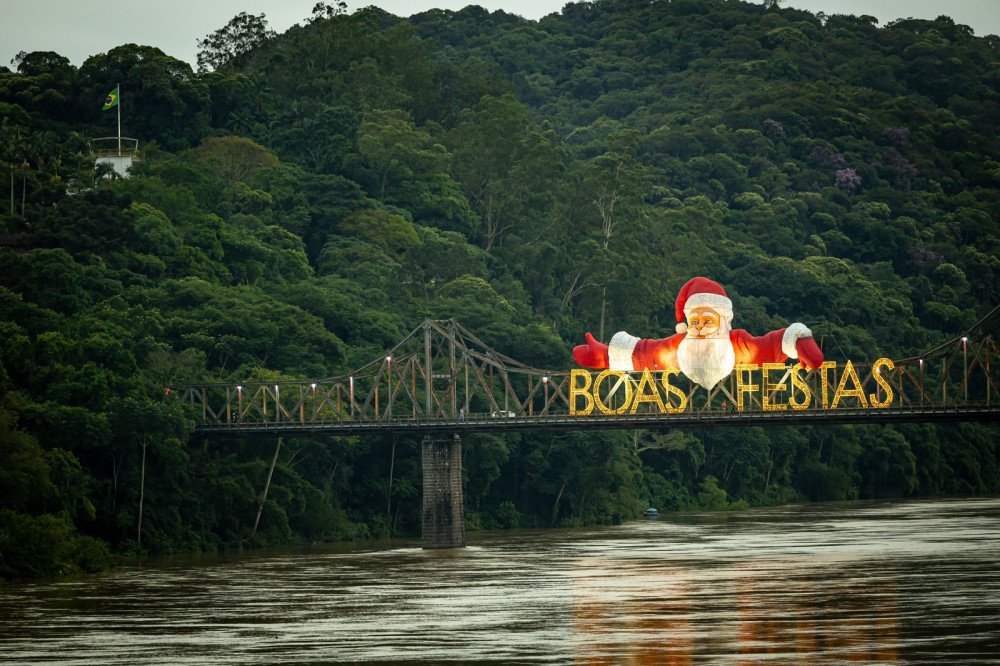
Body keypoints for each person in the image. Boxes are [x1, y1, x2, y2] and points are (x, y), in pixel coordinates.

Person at [573, 276, 824, 390]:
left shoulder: (736, 345)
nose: (701, 327)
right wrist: (606, 357)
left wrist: (799, 340)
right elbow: (645, 353)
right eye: (695, 321)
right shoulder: (679, 347)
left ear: (724, 321)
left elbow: (768, 346)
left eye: (708, 320)